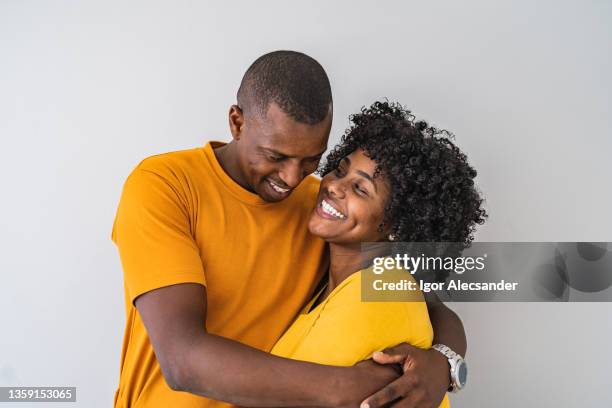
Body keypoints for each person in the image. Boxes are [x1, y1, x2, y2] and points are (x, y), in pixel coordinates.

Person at [112, 51, 467, 408]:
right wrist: (345, 388)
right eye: (276, 156)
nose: (293, 178)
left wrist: (445, 363)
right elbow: (182, 361)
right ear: (237, 122)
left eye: (312, 159)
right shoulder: (165, 186)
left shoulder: (324, 211)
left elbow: (427, 297)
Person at [272, 101, 488, 408]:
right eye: (340, 170)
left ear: (396, 226)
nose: (334, 186)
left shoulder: (374, 302)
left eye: (361, 189)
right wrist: (447, 359)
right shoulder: (351, 286)